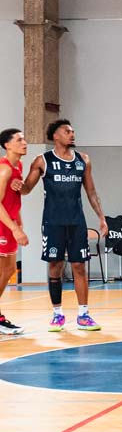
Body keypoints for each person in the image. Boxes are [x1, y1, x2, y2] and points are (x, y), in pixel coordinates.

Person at [20, 120, 108, 332]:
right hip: (52, 222)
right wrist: (17, 185)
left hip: (77, 222)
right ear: (55, 136)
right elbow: (26, 188)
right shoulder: (42, 160)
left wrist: (102, 217)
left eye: (73, 131)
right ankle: (57, 314)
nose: (72, 134)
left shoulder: (83, 160)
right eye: (67, 131)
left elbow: (91, 192)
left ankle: (83, 315)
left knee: (79, 266)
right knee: (55, 266)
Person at [0, 128, 27, 334]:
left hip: (9, 223)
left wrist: (19, 224)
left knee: (9, 270)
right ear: (7, 145)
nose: (24, 143)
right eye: (19, 140)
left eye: (24, 139)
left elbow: (13, 200)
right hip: (2, 224)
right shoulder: (5, 169)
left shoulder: (19, 166)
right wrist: (14, 229)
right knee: (3, 270)